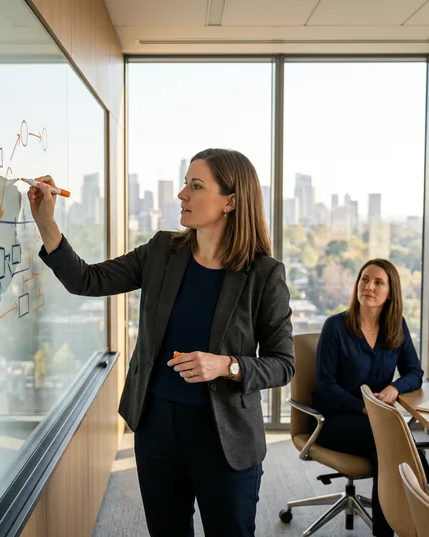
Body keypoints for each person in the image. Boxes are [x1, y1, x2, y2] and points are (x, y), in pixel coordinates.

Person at [27, 148, 295, 537]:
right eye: (186, 183)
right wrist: (46, 223)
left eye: (196, 186)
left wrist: (226, 365)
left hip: (225, 437)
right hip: (158, 430)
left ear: (231, 202)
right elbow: (87, 279)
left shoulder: (263, 273)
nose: (182, 194)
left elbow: (283, 363)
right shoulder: (161, 251)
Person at [313, 259, 425, 537]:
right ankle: (395, 530)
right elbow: (325, 387)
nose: (369, 287)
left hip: (376, 424)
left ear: (391, 292)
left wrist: (395, 388)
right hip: (335, 421)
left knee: (391, 451)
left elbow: (415, 372)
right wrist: (364, 407)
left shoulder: (396, 326)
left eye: (378, 282)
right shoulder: (335, 327)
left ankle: (415, 524)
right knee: (393, 445)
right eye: (364, 279)